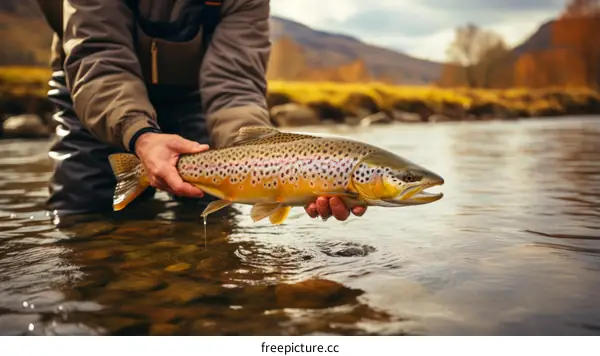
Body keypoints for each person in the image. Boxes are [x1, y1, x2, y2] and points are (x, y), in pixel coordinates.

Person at [36, 0, 367, 222]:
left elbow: (234, 83)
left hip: (194, 91)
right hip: (95, 84)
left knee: (210, 215)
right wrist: (139, 133)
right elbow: (99, 56)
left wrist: (261, 158)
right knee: (82, 219)